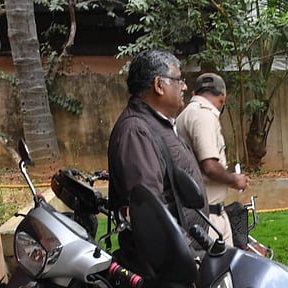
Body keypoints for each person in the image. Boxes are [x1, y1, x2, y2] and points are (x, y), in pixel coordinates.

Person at [107, 48, 208, 274]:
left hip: (182, 258)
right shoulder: (136, 131)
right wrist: (191, 259)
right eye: (178, 79)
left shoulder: (156, 124)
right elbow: (151, 212)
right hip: (169, 268)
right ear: (159, 85)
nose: (184, 86)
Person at [176, 72, 250, 244]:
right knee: (219, 269)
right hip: (208, 218)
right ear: (222, 99)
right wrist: (235, 179)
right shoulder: (204, 115)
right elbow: (209, 165)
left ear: (194, 94)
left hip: (199, 214)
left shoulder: (184, 115)